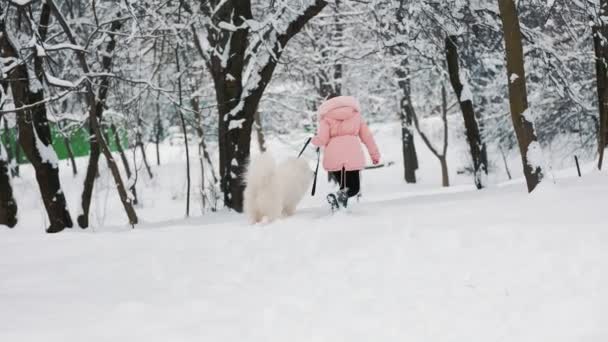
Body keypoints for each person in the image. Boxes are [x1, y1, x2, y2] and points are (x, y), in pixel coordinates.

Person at [311, 95, 380, 210]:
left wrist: (313, 140)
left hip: (334, 156)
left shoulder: (326, 118)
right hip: (352, 155)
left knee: (343, 186)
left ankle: (340, 207)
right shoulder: (355, 115)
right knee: (353, 188)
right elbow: (367, 137)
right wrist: (374, 154)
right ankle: (340, 201)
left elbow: (322, 139)